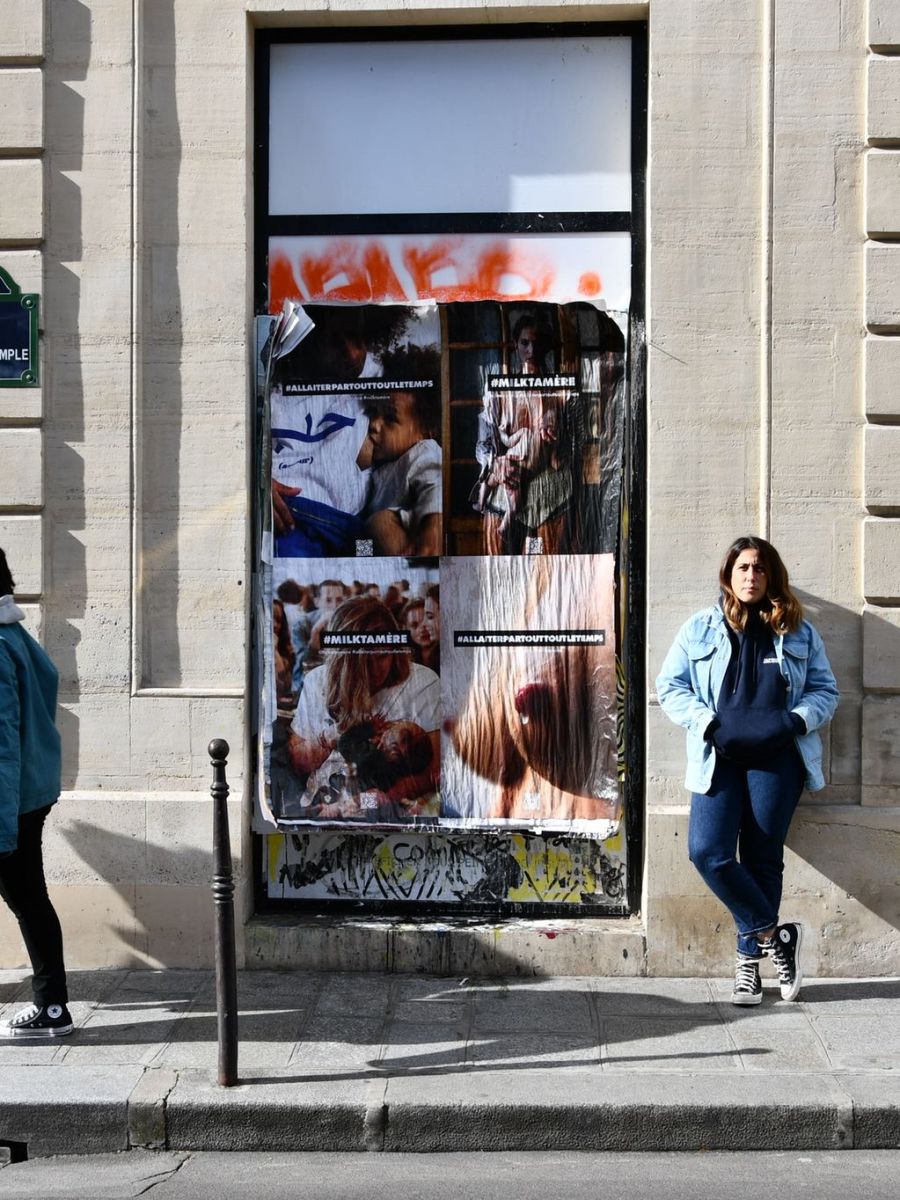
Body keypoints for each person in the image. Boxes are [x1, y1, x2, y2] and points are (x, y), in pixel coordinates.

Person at [656, 537, 839, 1006]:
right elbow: (670, 686)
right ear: (729, 574)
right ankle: (776, 936)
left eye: (759, 568)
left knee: (762, 859)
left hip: (778, 760)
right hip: (718, 758)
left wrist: (793, 721)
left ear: (770, 575)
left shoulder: (798, 632)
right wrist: (708, 723)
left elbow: (825, 691)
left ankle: (748, 967)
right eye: (742, 568)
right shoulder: (700, 627)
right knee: (707, 852)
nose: (751, 576)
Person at [0, 548, 73, 1038]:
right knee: (31, 899)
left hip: (13, 797)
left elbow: (3, 741)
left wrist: (3, 824)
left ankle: (52, 1008)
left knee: (28, 900)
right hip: (29, 789)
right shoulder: (14, 634)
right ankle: (52, 1004)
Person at [286, 597, 440, 821]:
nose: (375, 670)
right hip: (319, 803)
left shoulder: (424, 682)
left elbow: (433, 771)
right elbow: (298, 763)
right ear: (341, 661)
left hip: (385, 804)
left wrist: (379, 798)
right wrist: (331, 737)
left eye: (383, 656)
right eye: (363, 662)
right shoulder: (317, 681)